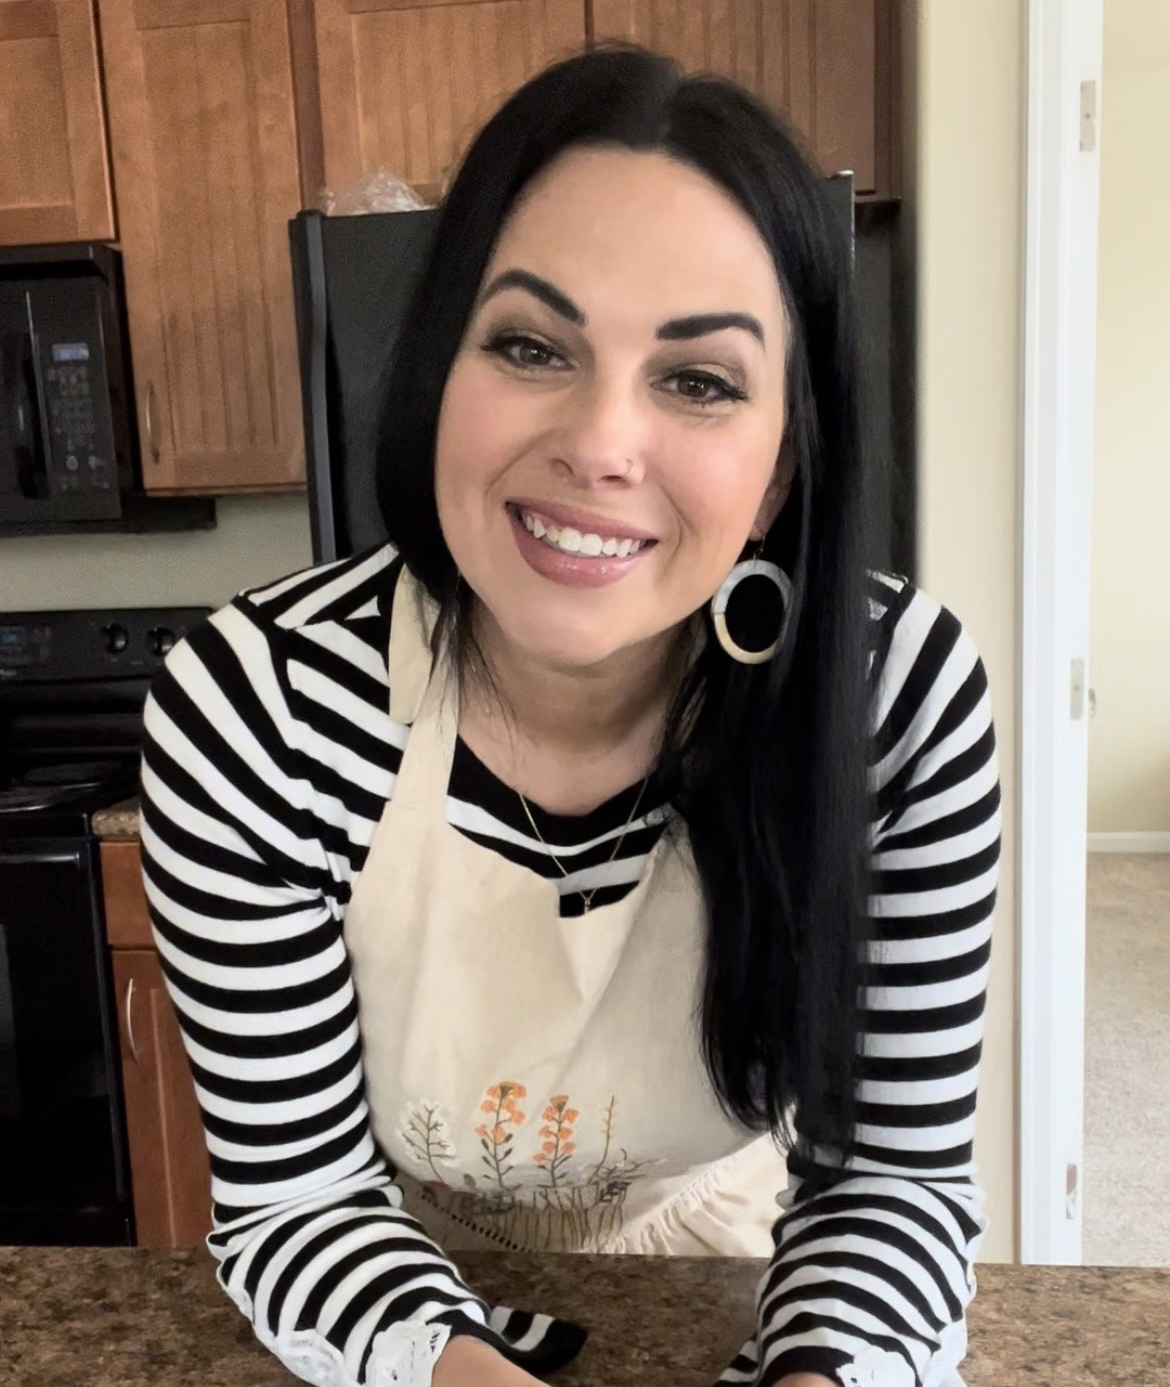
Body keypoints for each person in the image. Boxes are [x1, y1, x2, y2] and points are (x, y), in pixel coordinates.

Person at [139, 44, 1001, 1387]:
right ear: (440, 371)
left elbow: (889, 1181)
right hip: (388, 1296)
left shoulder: (896, 701)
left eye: (699, 380)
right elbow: (299, 1199)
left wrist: (819, 1371)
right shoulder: (262, 710)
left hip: (734, 1266)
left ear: (780, 470)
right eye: (531, 346)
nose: (601, 445)